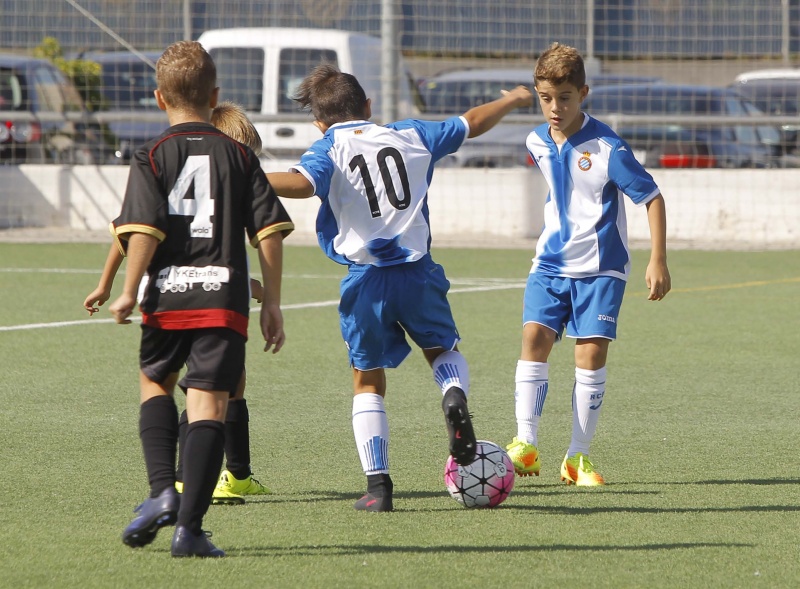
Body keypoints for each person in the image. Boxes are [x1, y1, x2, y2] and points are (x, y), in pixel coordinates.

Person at [267, 64, 533, 512]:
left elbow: (299, 184)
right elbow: (471, 123)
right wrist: (512, 99)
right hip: (418, 274)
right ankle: (453, 397)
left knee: (367, 380)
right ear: (368, 107)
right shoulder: (411, 134)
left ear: (319, 122)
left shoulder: (329, 146)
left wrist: (241, 173)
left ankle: (378, 487)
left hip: (366, 281)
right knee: (442, 352)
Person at [107, 41, 293, 557]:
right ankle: (189, 530)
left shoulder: (152, 155)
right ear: (215, 96)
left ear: (159, 97)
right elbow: (270, 232)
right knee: (210, 402)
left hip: (169, 296)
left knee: (154, 382)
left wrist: (127, 290)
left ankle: (163, 489)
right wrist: (272, 302)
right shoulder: (238, 154)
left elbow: (141, 229)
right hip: (225, 299)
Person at [83, 101, 277, 506]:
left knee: (220, 383)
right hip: (204, 296)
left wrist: (108, 286)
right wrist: (259, 292)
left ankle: (232, 474)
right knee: (210, 387)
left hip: (174, 291)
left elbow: (126, 233)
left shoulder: (166, 161)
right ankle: (193, 479)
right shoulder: (229, 171)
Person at [504, 42, 671, 486]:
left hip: (601, 267)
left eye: (564, 98)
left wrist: (658, 259)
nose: (554, 108)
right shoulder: (536, 140)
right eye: (545, 98)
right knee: (534, 338)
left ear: (584, 93)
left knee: (589, 355)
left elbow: (651, 197)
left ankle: (577, 457)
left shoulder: (608, 148)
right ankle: (525, 444)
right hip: (550, 263)